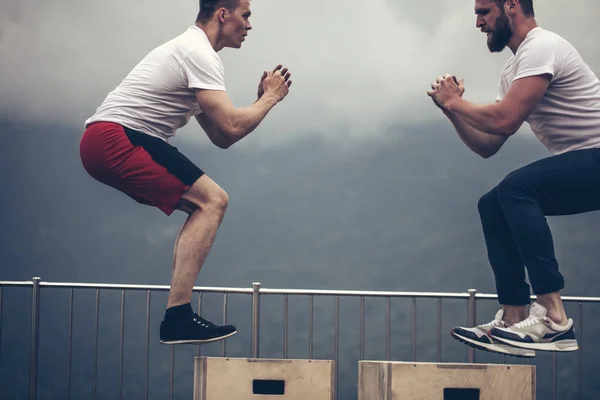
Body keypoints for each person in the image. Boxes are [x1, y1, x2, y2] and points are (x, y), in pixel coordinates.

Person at [79, 0, 292, 345]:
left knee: (207, 203)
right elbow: (233, 126)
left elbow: (223, 137)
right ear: (223, 13)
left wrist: (259, 103)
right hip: (116, 137)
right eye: (246, 15)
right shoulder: (199, 53)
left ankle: (177, 316)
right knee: (213, 201)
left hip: (107, 139)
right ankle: (178, 316)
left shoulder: (192, 51)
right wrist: (269, 98)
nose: (249, 26)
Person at [427, 0, 599, 357]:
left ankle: (554, 320)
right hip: (586, 163)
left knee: (517, 189)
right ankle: (513, 316)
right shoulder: (513, 69)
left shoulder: (541, 46)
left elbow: (504, 119)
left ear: (511, 7)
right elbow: (487, 145)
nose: (478, 23)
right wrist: (451, 110)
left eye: (484, 12)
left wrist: (457, 103)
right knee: (492, 204)